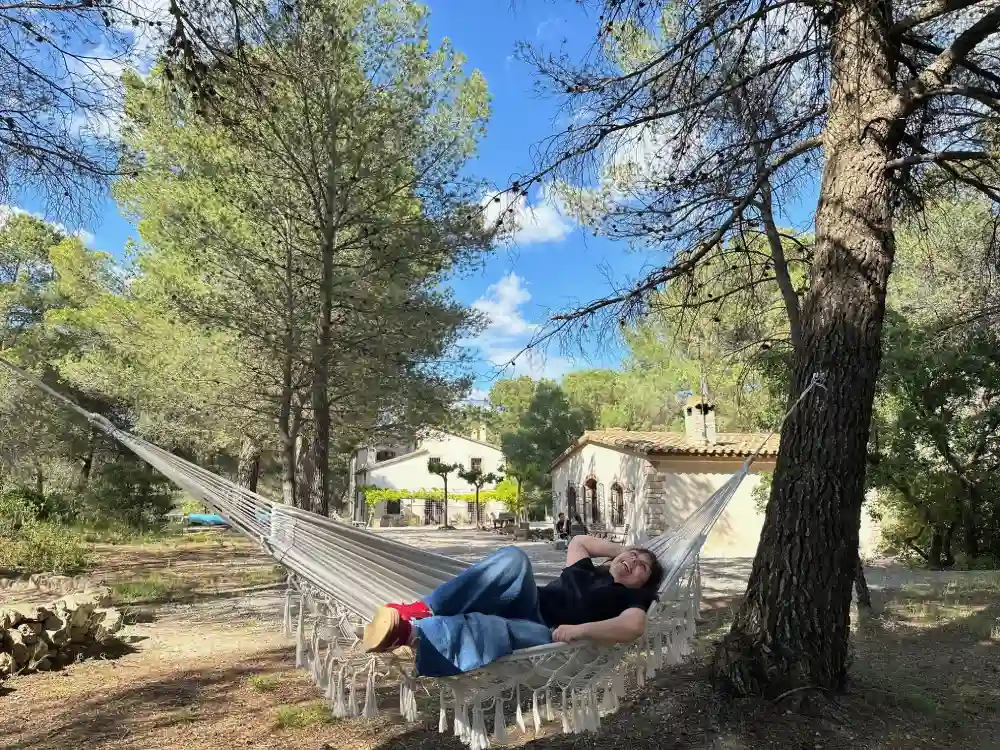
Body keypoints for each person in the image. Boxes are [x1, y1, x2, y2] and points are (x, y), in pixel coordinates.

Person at [361, 535, 664, 677]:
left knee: (493, 627)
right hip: (528, 601)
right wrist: (627, 550)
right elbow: (579, 542)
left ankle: (412, 634)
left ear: (645, 583)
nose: (633, 561)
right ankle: (423, 610)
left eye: (643, 566)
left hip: (548, 631)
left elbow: (634, 626)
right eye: (633, 556)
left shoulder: (632, 597)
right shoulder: (586, 570)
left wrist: (579, 630)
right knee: (513, 558)